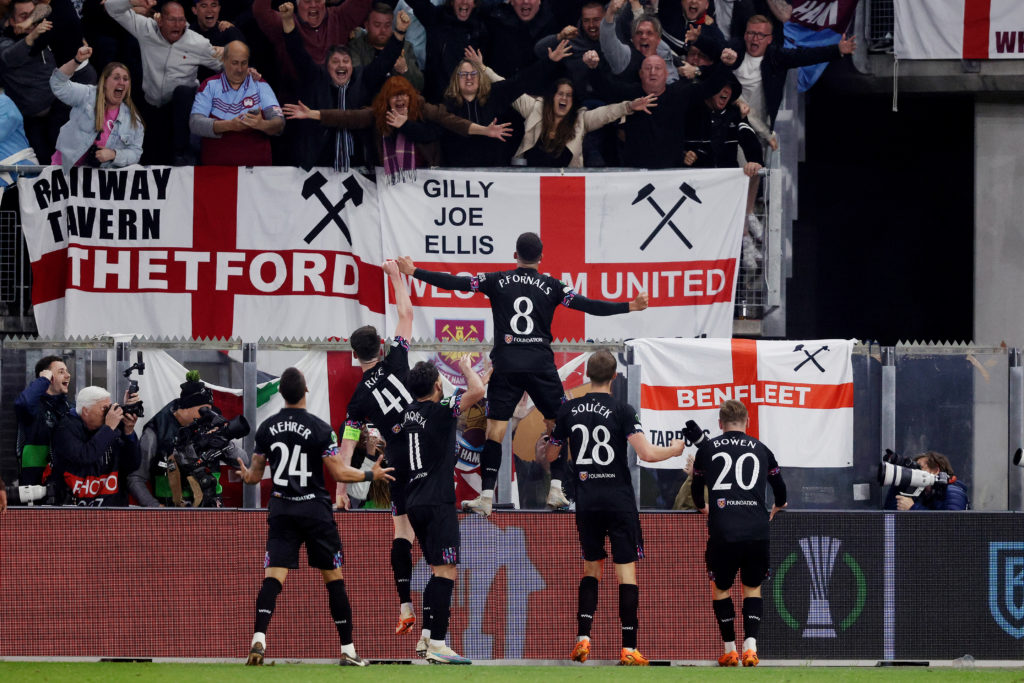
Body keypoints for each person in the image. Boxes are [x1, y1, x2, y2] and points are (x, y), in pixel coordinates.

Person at [397, 231, 648, 517]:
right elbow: (588, 305)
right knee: (558, 425)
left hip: (506, 364)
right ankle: (556, 488)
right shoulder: (553, 285)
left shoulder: (497, 280)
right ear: (541, 258)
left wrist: (413, 271)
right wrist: (631, 306)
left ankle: (487, 497)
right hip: (541, 365)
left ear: (515, 256)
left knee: (495, 431)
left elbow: (457, 283)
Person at [237, 366, 393, 667]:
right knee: (334, 580)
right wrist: (370, 473)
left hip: (282, 510)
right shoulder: (322, 429)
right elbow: (337, 471)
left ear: (281, 393)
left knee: (273, 579)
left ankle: (259, 638)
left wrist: (245, 475)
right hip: (315, 512)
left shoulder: (267, 428)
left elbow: (255, 476)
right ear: (306, 391)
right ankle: (348, 650)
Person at [546, 350, 684, 666]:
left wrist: (551, 441)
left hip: (587, 501)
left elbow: (551, 455)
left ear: (587, 376)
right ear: (615, 377)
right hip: (618, 501)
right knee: (626, 573)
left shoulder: (568, 410)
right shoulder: (622, 409)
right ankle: (629, 648)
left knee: (591, 569)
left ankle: (583, 639)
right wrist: (675, 450)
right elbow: (646, 454)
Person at [336, 259, 419, 636]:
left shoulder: (357, 401)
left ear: (355, 357)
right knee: (432, 528)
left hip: (399, 459)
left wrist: (340, 488)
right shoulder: (398, 357)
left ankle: (405, 606)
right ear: (381, 347)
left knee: (401, 533)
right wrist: (394, 276)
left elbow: (347, 448)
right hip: (427, 450)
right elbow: (406, 311)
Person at [391, 356, 486, 663]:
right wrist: (466, 367)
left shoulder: (407, 415)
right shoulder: (440, 409)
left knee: (437, 570)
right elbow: (478, 391)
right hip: (437, 500)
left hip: (414, 500)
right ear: (436, 385)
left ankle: (427, 637)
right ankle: (439, 643)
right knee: (447, 571)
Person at [686, 399, 787, 667]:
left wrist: (704, 507)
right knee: (752, 588)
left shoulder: (707, 449)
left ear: (720, 424)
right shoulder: (762, 449)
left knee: (720, 588)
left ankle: (730, 650)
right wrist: (777, 507)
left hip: (723, 530)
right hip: (757, 529)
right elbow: (781, 490)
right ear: (747, 422)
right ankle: (751, 648)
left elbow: (696, 493)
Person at [283, 74, 511, 182]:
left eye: (403, 95)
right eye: (394, 96)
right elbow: (348, 117)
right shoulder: (379, 114)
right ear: (386, 101)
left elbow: (452, 121)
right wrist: (312, 113)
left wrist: (485, 130)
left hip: (425, 180)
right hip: (390, 184)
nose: (400, 100)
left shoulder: (423, 108)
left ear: (411, 97)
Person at [280, 1, 403, 169]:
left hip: (359, 165)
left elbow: (385, 60)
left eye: (346, 61)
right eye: (335, 61)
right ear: (326, 66)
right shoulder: (317, 79)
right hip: (321, 165)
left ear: (352, 66)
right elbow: (297, 53)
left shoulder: (363, 79)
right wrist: (288, 21)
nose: (341, 65)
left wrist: (400, 32)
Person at [104, 0, 224, 163]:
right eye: (172, 20)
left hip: (183, 110)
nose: (177, 25)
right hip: (152, 107)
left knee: (183, 92)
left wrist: (239, 62)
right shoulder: (146, 29)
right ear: (159, 20)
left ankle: (183, 151)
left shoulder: (198, 43)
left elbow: (225, 66)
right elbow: (112, 9)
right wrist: (132, 1)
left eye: (181, 20)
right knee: (152, 160)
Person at [586, 52, 730, 169]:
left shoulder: (680, 93)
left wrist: (725, 65)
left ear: (666, 74)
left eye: (658, 68)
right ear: (641, 74)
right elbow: (604, 88)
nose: (653, 72)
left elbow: (709, 87)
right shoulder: (630, 93)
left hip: (671, 172)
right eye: (648, 68)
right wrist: (593, 68)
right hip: (635, 171)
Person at [442, 41, 569, 167]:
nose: (469, 78)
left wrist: (549, 61)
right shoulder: (448, 104)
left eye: (473, 74)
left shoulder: (494, 94)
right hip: (457, 172)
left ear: (480, 77)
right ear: (455, 79)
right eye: (463, 74)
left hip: (492, 170)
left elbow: (521, 80)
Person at [129, 371, 246, 507]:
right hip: (171, 513)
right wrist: (155, 507)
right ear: (186, 408)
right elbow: (135, 478)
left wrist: (226, 442)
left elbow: (244, 463)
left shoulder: (210, 425)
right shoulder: (156, 430)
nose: (207, 417)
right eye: (203, 411)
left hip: (211, 511)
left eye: (210, 411)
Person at [505, 73, 655, 168]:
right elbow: (507, 89)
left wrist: (629, 106)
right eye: (560, 93)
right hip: (528, 185)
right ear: (552, 97)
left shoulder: (580, 120)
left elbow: (606, 113)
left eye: (569, 95)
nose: (564, 98)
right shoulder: (535, 109)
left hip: (566, 187)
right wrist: (483, 69)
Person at [49, 44, 145, 171]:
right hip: (64, 171)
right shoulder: (87, 95)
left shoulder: (134, 120)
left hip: (96, 182)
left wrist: (114, 154)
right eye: (116, 78)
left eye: (125, 79)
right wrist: (77, 61)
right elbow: (58, 84)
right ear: (104, 82)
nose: (121, 82)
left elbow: (136, 152)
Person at [189, 40, 284, 165]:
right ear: (224, 60)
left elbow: (279, 123)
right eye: (235, 63)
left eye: (244, 63)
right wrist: (230, 125)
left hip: (258, 174)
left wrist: (262, 124)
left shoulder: (259, 84)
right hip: (215, 171)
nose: (240, 69)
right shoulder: (209, 85)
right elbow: (195, 124)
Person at [50, 386, 142, 507]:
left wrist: (128, 431)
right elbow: (85, 456)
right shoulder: (65, 428)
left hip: (112, 509)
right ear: (85, 411)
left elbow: (132, 465)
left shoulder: (111, 426)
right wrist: (108, 429)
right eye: (104, 408)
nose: (108, 414)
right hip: (75, 510)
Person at [0, 1, 63, 161]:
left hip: (57, 104)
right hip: (31, 117)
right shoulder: (4, 40)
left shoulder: (40, 26)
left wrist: (30, 21)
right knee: (44, 162)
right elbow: (9, 57)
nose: (32, 20)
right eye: (24, 16)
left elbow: (46, 8)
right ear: (11, 21)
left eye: (33, 14)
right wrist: (32, 37)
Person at [403, 0, 488, 102]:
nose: (464, 1)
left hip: (466, 103)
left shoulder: (483, 27)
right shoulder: (436, 18)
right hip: (436, 101)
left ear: (475, 3)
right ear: (451, 2)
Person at [14, 355, 73, 487]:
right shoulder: (33, 407)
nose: (68, 375)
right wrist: (43, 380)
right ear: (48, 377)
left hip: (65, 485)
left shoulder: (69, 408)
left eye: (67, 371)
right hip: (34, 487)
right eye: (61, 372)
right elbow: (23, 404)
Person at [348, 3, 423, 92]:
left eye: (387, 25)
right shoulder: (356, 47)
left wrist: (405, 70)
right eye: (377, 25)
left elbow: (419, 86)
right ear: (367, 26)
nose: (383, 30)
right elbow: (359, 81)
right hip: (366, 103)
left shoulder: (405, 47)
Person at [599, 1, 678, 85]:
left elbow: (674, 84)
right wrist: (610, 13)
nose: (644, 37)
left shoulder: (663, 51)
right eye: (639, 33)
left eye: (649, 33)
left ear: (658, 39)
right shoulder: (625, 57)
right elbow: (609, 43)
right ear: (632, 38)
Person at [884, 451, 969, 511]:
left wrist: (913, 508)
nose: (914, 472)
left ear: (935, 471)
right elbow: (890, 510)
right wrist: (901, 481)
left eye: (919, 467)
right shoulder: (921, 493)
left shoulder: (952, 491)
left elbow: (952, 526)